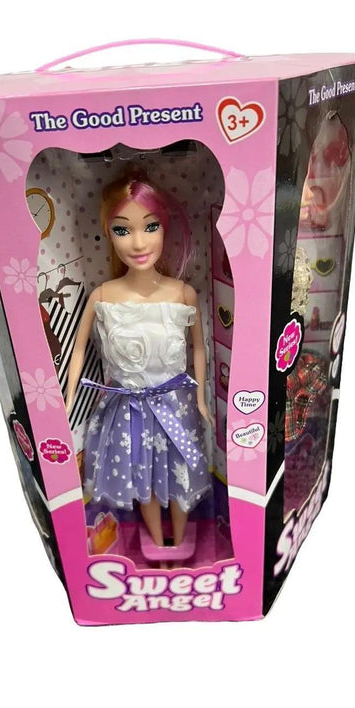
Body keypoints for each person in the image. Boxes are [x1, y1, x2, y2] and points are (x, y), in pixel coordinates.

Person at [65, 166, 213, 552]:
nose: (137, 242)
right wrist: (68, 399)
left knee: (179, 473)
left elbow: (198, 348)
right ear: (107, 233)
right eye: (122, 230)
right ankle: (160, 545)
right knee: (143, 478)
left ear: (165, 227)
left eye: (150, 226)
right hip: (127, 408)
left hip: (177, 404)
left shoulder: (182, 293)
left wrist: (200, 398)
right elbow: (78, 349)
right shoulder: (102, 296)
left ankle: (177, 542)